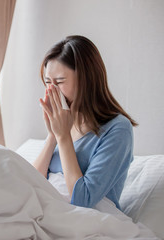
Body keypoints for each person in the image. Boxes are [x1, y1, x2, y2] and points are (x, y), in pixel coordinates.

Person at [33, 35, 138, 211]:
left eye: (59, 82)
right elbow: (30, 182)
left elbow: (83, 199)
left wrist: (63, 136)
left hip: (89, 221)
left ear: (86, 80)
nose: (51, 91)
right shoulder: (64, 123)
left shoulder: (118, 129)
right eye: (47, 83)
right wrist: (53, 135)